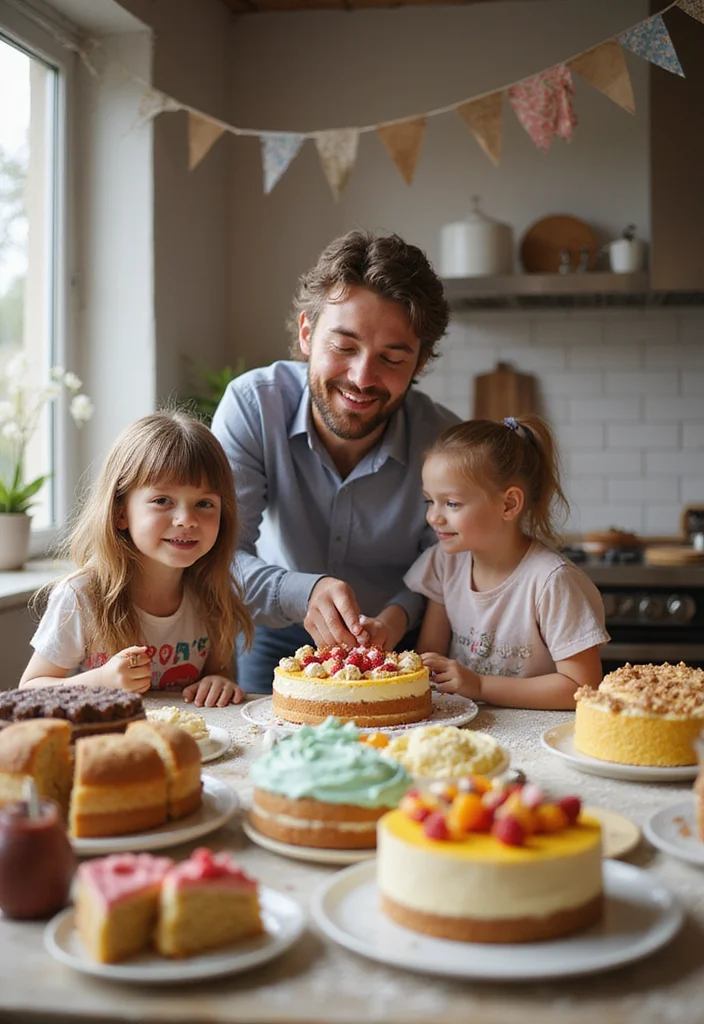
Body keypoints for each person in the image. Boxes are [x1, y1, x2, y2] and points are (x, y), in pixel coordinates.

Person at [211, 230, 459, 692]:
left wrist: (395, 615)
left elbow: (448, 564)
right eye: (344, 347)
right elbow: (219, 556)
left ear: (420, 362)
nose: (362, 378)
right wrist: (303, 591)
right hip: (277, 634)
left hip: (396, 644)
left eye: (392, 357)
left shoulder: (444, 441)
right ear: (307, 333)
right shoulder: (251, 406)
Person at [19, 411, 253, 707]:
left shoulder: (212, 593)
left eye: (204, 503)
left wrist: (219, 682)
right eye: (162, 501)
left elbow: (218, 671)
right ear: (120, 513)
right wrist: (100, 681)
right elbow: (28, 690)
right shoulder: (82, 597)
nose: (186, 519)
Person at [405, 415, 609, 710]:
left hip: (537, 736)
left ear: (509, 504)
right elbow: (429, 657)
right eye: (429, 501)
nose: (434, 517)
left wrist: (480, 685)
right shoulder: (444, 562)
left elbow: (583, 687)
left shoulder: (551, 581)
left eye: (451, 503)